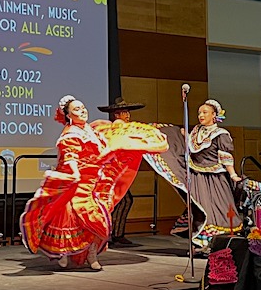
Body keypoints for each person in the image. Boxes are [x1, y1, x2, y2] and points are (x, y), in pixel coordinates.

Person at [20, 95, 167, 270]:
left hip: (96, 182)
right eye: (76, 109)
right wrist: (74, 174)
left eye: (82, 107)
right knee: (72, 218)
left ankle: (91, 254)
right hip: (78, 181)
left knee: (99, 219)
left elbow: (104, 150)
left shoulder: (92, 130)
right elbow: (70, 157)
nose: (82, 111)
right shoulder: (70, 134)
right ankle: (65, 252)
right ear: (68, 115)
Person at [148, 99, 243, 250]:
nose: (201, 115)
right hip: (197, 177)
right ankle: (201, 241)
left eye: (205, 112)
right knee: (201, 207)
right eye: (199, 112)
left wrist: (232, 174)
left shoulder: (220, 134)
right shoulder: (196, 132)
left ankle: (217, 241)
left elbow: (225, 156)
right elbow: (189, 148)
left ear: (214, 115)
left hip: (215, 178)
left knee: (218, 209)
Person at [97, 97, 146, 247]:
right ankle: (114, 234)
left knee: (121, 201)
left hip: (118, 169)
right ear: (116, 115)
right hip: (114, 170)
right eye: (124, 112)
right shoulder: (117, 128)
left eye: (127, 112)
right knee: (122, 200)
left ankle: (113, 233)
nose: (127, 115)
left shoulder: (123, 128)